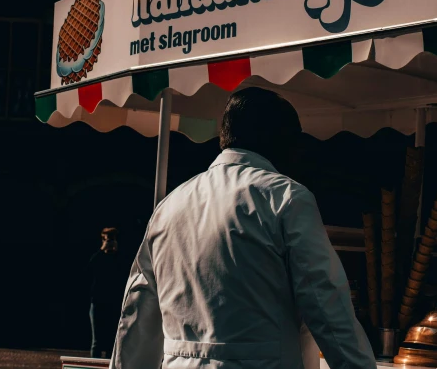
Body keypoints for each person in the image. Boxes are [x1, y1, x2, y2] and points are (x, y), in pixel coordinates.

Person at [110, 87, 376, 369]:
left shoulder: (168, 207)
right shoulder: (286, 198)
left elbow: (137, 317)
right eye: (296, 138)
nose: (300, 151)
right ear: (277, 138)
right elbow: (327, 306)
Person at [89, 227, 127, 359]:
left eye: (112, 239)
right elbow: (89, 269)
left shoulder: (119, 259)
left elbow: (124, 271)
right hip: (98, 302)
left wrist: (116, 252)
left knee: (112, 341)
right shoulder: (98, 258)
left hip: (113, 303)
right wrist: (101, 250)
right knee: (97, 342)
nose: (109, 242)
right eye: (106, 239)